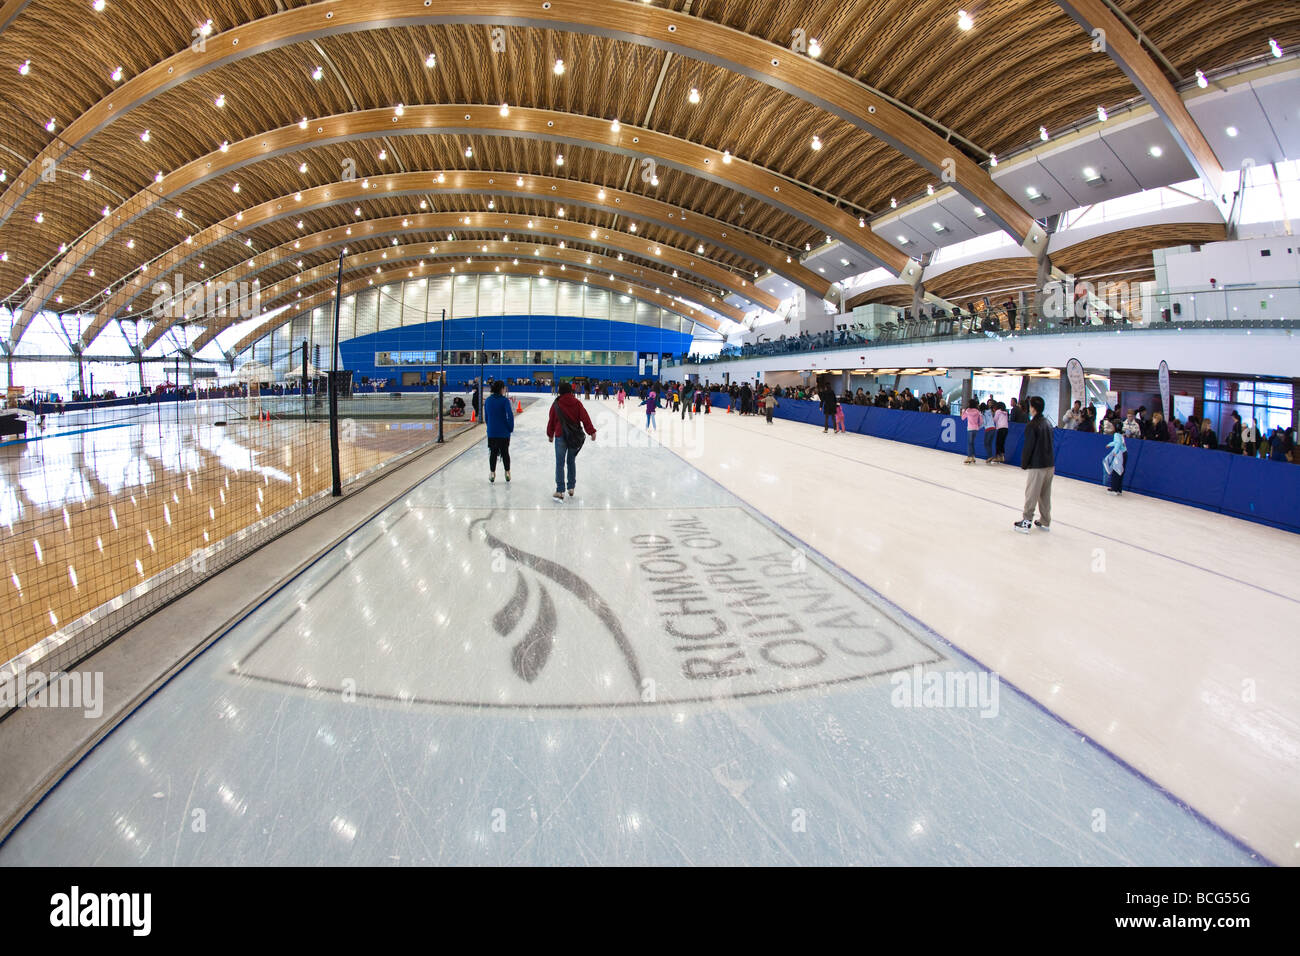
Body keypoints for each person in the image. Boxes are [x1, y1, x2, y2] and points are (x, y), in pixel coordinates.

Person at [547, 382, 596, 501]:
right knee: (571, 461)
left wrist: (550, 434)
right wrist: (591, 431)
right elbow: (585, 417)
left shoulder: (556, 404)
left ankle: (560, 490)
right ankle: (571, 488)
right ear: (570, 391)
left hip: (560, 436)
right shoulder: (577, 403)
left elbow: (551, 420)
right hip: (574, 437)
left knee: (560, 463)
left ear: (560, 391)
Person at [1015, 396, 1054, 533]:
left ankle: (1026, 521)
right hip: (1049, 464)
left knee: (1032, 493)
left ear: (1033, 408)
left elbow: (1029, 446)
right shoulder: (1047, 423)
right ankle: (1045, 520)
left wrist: (1024, 463)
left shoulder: (1033, 425)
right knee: (1045, 495)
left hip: (1038, 464)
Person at [484, 380, 515, 483]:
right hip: (504, 432)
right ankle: (507, 472)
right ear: (501, 389)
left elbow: (486, 417)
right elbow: (509, 415)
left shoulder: (488, 400)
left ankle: (492, 473)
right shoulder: (505, 401)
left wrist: (490, 427)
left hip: (492, 432)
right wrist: (510, 428)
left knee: (493, 452)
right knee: (505, 452)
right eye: (504, 388)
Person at [1102, 429, 1126, 496]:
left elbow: (1118, 443)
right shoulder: (1120, 434)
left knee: (1116, 470)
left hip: (1120, 453)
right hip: (1124, 453)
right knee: (1121, 471)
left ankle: (1114, 489)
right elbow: (1117, 442)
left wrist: (1115, 452)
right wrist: (1110, 444)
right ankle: (1118, 489)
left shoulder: (1116, 434)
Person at [961, 399, 982, 463]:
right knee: (972, 443)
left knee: (969, 443)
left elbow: (962, 418)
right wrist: (978, 426)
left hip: (970, 428)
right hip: (976, 429)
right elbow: (981, 421)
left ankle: (969, 456)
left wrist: (963, 411)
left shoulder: (967, 411)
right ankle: (972, 456)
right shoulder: (978, 411)